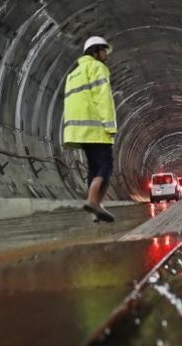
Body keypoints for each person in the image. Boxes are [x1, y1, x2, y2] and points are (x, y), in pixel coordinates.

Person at [63, 36, 117, 223]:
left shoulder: (74, 74)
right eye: (104, 51)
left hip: (80, 130)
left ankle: (96, 210)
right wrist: (110, 125)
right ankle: (93, 201)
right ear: (95, 52)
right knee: (106, 166)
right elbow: (103, 99)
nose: (106, 56)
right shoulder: (97, 68)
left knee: (93, 168)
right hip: (96, 128)